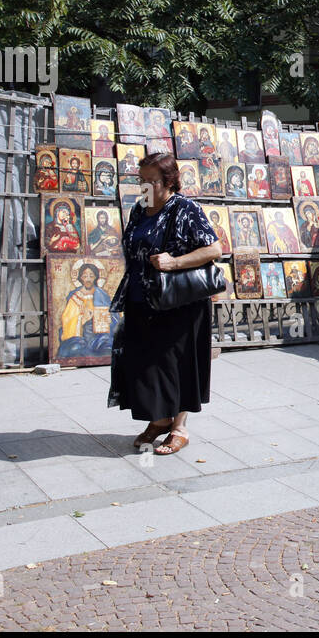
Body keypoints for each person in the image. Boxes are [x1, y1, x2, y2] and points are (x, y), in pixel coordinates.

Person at [109, 153, 223, 456]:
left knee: (177, 365)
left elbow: (215, 248)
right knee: (142, 363)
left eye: (150, 181)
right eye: (140, 180)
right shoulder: (139, 210)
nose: (143, 186)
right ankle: (159, 420)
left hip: (179, 303)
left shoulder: (186, 209)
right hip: (140, 299)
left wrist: (174, 263)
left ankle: (179, 428)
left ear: (169, 181)